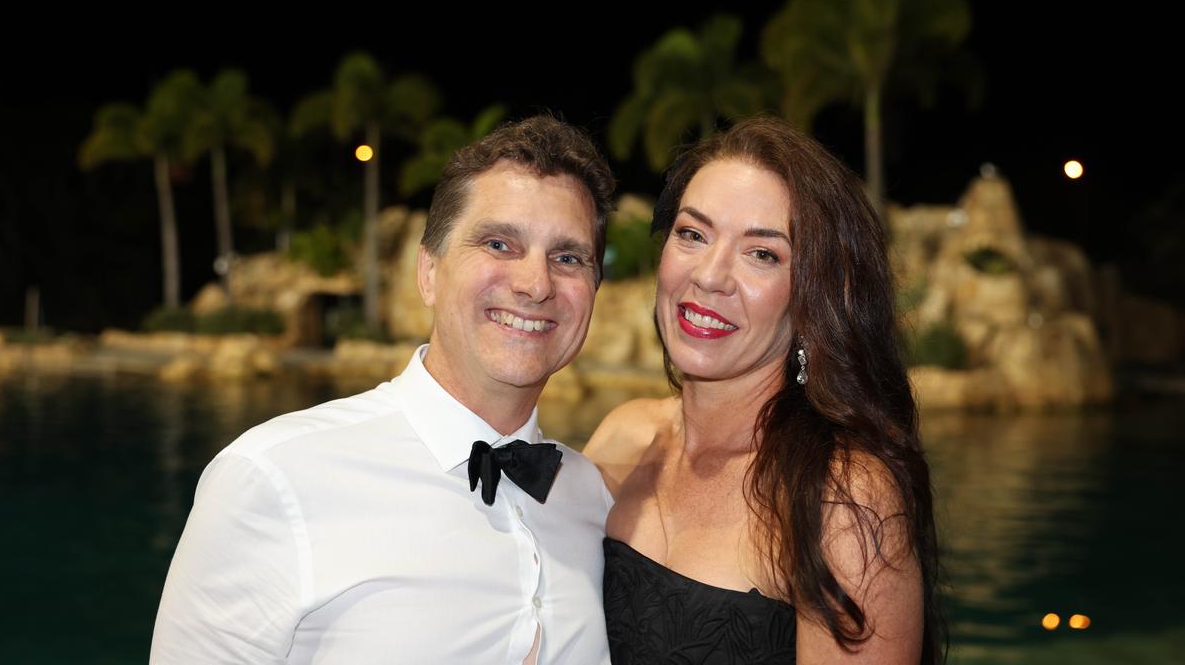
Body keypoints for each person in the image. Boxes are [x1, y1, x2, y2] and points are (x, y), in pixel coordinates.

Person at [151, 115, 618, 664]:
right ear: (427, 271)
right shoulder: (272, 479)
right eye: (498, 243)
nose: (536, 284)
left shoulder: (591, 498)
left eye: (568, 258)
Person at [586, 116, 942, 663]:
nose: (709, 275)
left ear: (814, 298)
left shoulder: (844, 500)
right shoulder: (624, 436)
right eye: (692, 234)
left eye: (762, 254)